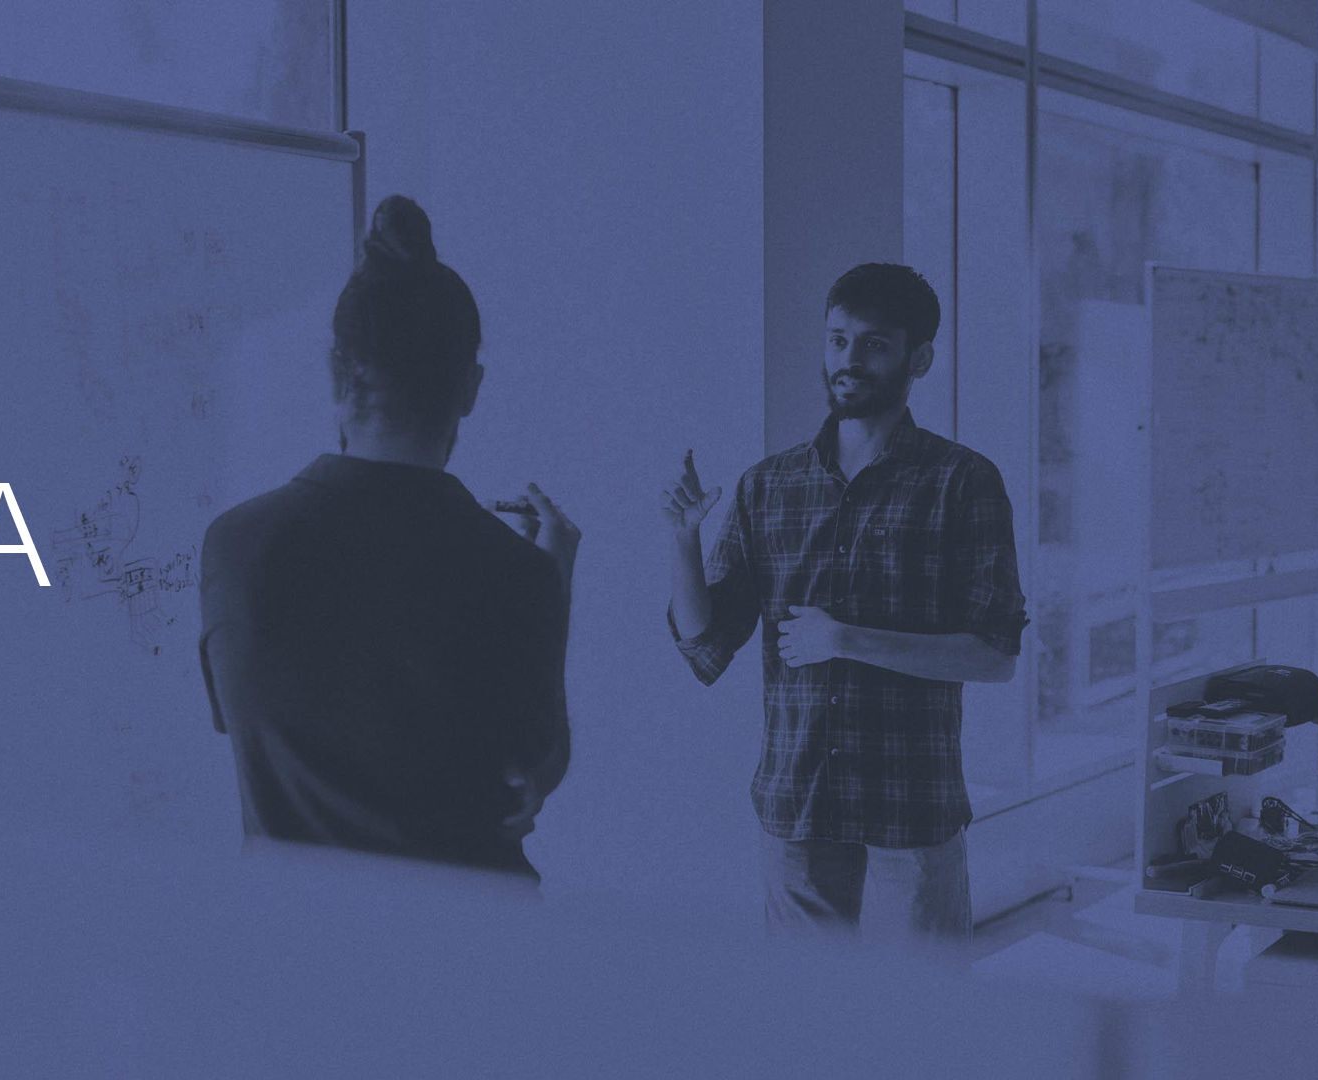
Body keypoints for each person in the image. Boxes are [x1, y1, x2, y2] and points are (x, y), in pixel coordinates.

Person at [199, 195, 579, 881]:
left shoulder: (234, 547)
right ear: (470, 388)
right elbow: (533, 770)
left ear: (337, 374)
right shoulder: (515, 572)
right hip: (468, 940)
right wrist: (552, 575)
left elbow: (263, 727)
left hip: (284, 937)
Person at [665, 263, 1027, 938]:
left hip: (910, 813)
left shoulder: (963, 481)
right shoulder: (766, 486)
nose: (849, 360)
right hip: (797, 809)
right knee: (802, 1006)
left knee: (917, 1005)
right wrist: (684, 540)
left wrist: (846, 639)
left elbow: (995, 654)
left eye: (874, 344)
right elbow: (705, 645)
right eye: (837, 340)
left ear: (919, 359)